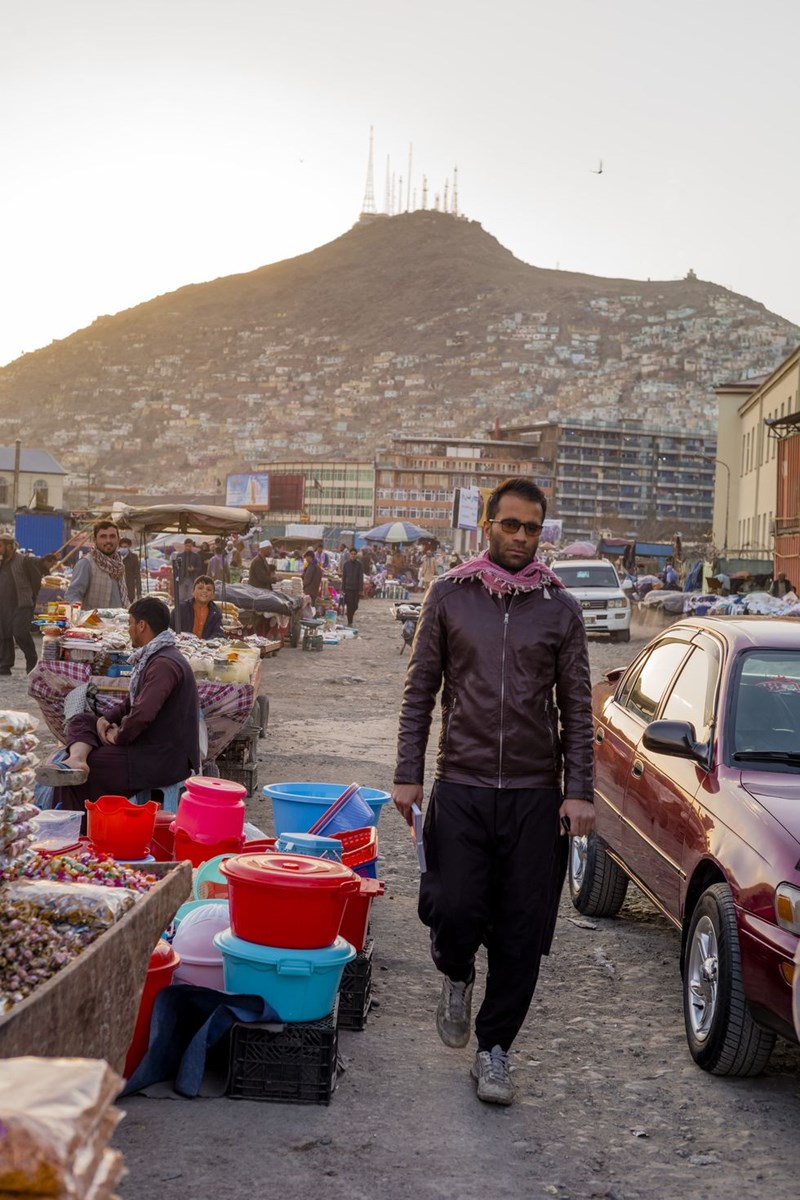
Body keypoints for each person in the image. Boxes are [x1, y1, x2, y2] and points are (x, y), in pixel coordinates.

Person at [392, 477, 595, 1107]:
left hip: (535, 795)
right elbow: (420, 689)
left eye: (532, 528)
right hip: (462, 782)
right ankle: (456, 972)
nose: (521, 537)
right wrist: (408, 772)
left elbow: (577, 709)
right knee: (453, 908)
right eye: (510, 524)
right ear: (488, 526)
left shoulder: (560, 608)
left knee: (521, 930)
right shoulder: (449, 595)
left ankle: (495, 1048)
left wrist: (579, 791)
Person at [40, 597, 200, 807]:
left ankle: (75, 824)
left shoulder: (164, 664)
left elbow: (142, 714)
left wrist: (119, 736)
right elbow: (132, 702)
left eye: (130, 623)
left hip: (160, 758)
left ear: (142, 626)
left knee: (79, 776)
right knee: (83, 721)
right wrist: (106, 719)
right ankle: (77, 758)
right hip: (149, 748)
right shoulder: (156, 657)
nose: (128, 629)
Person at [0, 529, 42, 675]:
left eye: (1, 546)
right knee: (4, 634)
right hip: (4, 605)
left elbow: (36, 580)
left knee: (20, 633)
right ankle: (5, 665)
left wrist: (31, 598)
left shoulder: (23, 561)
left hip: (22, 605)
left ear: (9, 546)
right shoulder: (1, 562)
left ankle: (32, 660)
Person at [66, 520, 130, 609]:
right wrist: (81, 614)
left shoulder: (119, 565)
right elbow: (73, 595)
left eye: (112, 536)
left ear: (118, 539)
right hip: (94, 618)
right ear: (95, 540)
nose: (108, 540)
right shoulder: (86, 563)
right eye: (103, 536)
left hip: (120, 617)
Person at [173, 539, 203, 603]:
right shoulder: (180, 556)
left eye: (189, 546)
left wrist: (194, 569)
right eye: (187, 546)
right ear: (184, 545)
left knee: (191, 597)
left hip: (191, 579)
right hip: (181, 579)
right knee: (181, 597)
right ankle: (181, 609)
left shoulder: (196, 556)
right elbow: (177, 568)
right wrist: (176, 578)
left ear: (191, 546)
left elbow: (200, 568)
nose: (188, 548)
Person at [341, 548, 364, 626]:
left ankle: (350, 614)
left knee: (355, 605)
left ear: (356, 555)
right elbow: (344, 577)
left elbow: (361, 577)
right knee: (349, 605)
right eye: (352, 554)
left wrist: (361, 589)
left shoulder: (359, 565)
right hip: (348, 588)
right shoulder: (346, 564)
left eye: (354, 554)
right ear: (350, 555)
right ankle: (349, 621)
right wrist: (343, 588)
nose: (353, 555)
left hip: (356, 588)